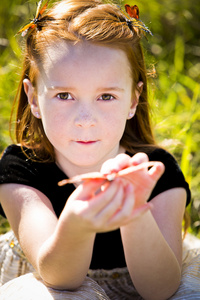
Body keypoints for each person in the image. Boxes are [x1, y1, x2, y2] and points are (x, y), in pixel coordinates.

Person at [0, 0, 197, 299]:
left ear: (133, 99)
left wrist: (133, 211)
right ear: (34, 98)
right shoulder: (20, 168)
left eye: (106, 96)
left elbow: (160, 290)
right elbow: (59, 279)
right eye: (64, 95)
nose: (85, 120)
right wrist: (76, 224)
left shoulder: (156, 171)